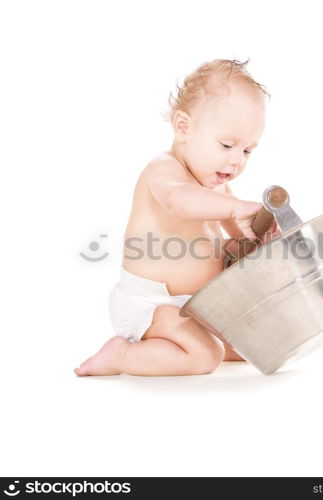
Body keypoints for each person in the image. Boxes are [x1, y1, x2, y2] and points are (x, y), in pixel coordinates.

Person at [75, 58, 277, 377]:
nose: (237, 160)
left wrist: (259, 236)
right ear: (183, 127)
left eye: (247, 151)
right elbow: (178, 200)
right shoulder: (164, 172)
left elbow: (240, 239)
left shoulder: (221, 192)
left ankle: (202, 340)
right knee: (205, 356)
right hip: (151, 305)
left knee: (255, 342)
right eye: (227, 144)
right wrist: (233, 208)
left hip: (196, 307)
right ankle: (122, 354)